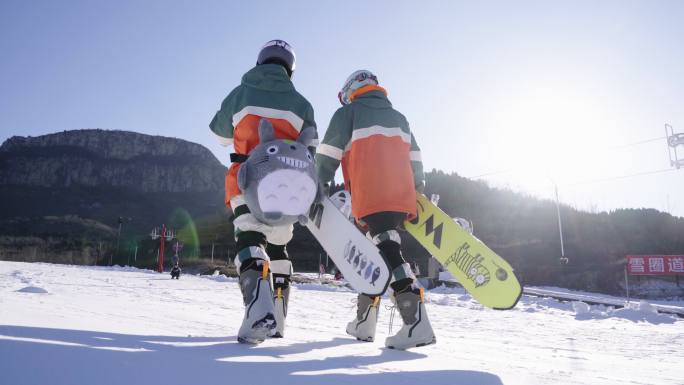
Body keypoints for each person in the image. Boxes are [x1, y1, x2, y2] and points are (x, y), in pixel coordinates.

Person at [315, 70, 435, 350]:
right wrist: (417, 188)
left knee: (387, 251)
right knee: (374, 253)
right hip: (402, 197)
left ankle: (416, 322)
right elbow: (415, 159)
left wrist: (316, 184)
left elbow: (328, 153)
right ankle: (365, 323)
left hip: (371, 193)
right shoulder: (400, 118)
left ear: (350, 90)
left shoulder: (348, 113)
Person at [209, 40, 317, 343]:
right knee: (279, 247)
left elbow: (219, 135)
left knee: (250, 237)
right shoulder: (302, 104)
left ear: (261, 61)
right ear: (290, 68)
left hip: (247, 180)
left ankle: (259, 313)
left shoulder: (240, 93)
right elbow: (311, 150)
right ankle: (278, 318)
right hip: (289, 189)